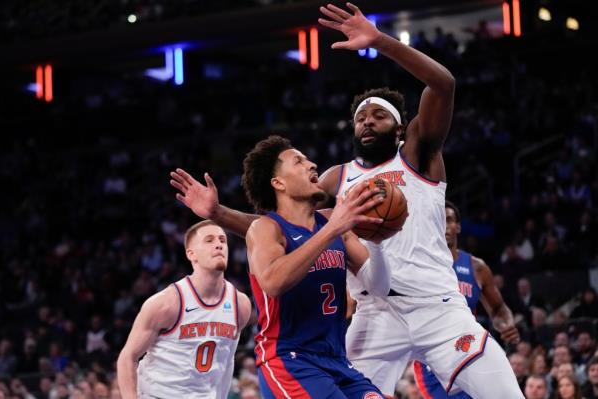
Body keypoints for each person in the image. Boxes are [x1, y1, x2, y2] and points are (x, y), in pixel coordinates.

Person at [170, 3, 523, 397]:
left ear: (400, 127)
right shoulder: (339, 178)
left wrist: (382, 42)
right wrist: (218, 213)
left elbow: (443, 84)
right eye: (360, 118)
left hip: (434, 305)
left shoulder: (418, 154)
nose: (367, 121)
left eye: (378, 116)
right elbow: (291, 227)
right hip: (375, 314)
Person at [242, 135, 391, 398]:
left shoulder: (335, 222)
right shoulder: (266, 228)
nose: (312, 165)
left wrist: (376, 244)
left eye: (308, 160)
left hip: (337, 360)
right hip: (289, 360)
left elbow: (378, 287)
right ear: (278, 183)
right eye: (298, 162)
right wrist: (332, 229)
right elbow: (273, 282)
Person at [117, 220, 252, 399]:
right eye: (209, 240)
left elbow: (227, 360)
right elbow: (128, 357)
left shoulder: (240, 304)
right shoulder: (167, 303)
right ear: (191, 254)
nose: (219, 245)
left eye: (222, 240)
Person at [413, 201, 520, 398]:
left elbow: (498, 308)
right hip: (434, 359)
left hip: (468, 349)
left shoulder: (476, 267)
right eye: (438, 221)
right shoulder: (416, 266)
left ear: (458, 226)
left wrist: (506, 324)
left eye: (449, 220)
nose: (444, 226)